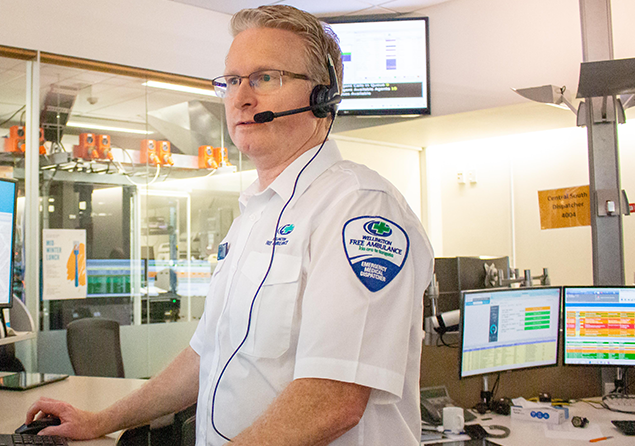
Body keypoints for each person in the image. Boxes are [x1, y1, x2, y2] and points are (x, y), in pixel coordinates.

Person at [25, 5, 433, 445]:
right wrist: (100, 421)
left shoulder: (359, 209)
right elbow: (206, 354)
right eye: (232, 81)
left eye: (265, 78)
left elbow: (331, 400)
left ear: (323, 95)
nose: (240, 97)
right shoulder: (253, 217)